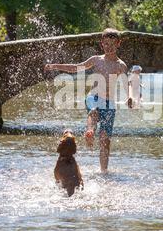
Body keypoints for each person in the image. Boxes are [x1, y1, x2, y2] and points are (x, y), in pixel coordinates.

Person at [44, 28, 133, 173]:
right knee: (93, 111)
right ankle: (90, 130)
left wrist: (129, 96)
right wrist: (55, 66)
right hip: (94, 97)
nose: (109, 47)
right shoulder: (96, 60)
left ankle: (103, 171)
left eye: (112, 44)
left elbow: (128, 82)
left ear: (118, 44)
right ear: (101, 44)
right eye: (106, 44)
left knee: (105, 140)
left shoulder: (120, 65)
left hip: (109, 104)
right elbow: (76, 68)